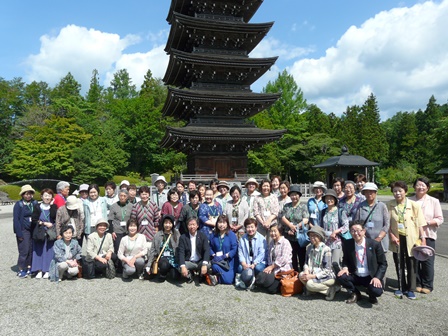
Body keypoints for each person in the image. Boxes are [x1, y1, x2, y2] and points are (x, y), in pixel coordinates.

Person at [387, 181, 426, 300]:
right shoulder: (389, 205)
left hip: (412, 238)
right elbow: (386, 224)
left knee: (412, 264)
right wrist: (391, 236)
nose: (397, 193)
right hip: (397, 239)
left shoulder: (414, 205)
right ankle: (401, 287)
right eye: (395, 191)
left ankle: (411, 289)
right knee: (399, 262)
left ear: (405, 191)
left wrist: (423, 239)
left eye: (400, 191)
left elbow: (420, 224)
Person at [337, 220, 388, 304]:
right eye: (352, 231)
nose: (355, 233)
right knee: (340, 276)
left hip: (370, 276)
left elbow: (383, 263)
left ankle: (371, 294)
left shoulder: (374, 244)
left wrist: (377, 277)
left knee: (377, 291)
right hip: (355, 275)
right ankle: (355, 293)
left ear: (364, 231)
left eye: (358, 230)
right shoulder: (347, 244)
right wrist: (345, 267)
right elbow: (345, 259)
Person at [409, 177, 444, 294]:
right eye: (418, 185)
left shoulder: (434, 201)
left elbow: (440, 219)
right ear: (414, 187)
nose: (421, 187)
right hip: (413, 235)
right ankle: (417, 283)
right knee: (415, 260)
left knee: (428, 260)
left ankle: (428, 284)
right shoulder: (409, 201)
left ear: (427, 188)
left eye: (423, 185)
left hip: (428, 234)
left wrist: (425, 222)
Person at [299, 226, 337, 300]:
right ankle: (314, 290)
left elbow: (327, 270)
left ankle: (329, 290)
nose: (312, 238)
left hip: (326, 276)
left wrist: (312, 276)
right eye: (310, 235)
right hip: (312, 273)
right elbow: (306, 263)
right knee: (301, 275)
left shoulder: (326, 249)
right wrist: (306, 271)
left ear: (320, 237)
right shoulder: (309, 248)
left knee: (309, 284)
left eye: (315, 236)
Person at [255, 223, 292, 294]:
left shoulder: (285, 242)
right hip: (273, 269)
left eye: (275, 231)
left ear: (280, 231)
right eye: (271, 231)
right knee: (261, 280)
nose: (272, 233)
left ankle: (282, 284)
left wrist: (272, 267)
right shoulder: (272, 243)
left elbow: (284, 259)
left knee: (271, 290)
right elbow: (269, 257)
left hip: (282, 270)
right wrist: (270, 267)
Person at [280, 184, 309, 271]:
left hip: (299, 236)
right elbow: (283, 217)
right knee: (291, 256)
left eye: (296, 194)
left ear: (299, 195)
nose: (294, 197)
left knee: (301, 255)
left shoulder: (303, 206)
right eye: (292, 195)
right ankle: (294, 273)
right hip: (288, 235)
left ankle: (303, 273)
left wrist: (296, 227)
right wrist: (290, 226)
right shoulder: (287, 206)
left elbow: (306, 219)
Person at [354, 182, 389, 252]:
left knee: (381, 261)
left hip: (380, 241)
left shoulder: (382, 206)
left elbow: (387, 224)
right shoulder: (360, 206)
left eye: (371, 192)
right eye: (366, 192)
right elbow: (356, 223)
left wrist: (379, 237)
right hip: (365, 240)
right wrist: (363, 236)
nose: (369, 194)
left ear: (376, 192)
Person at [31, 188, 57, 279]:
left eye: (49, 196)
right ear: (41, 196)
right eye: (45, 195)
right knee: (38, 250)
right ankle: (38, 270)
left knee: (49, 251)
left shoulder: (54, 206)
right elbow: (33, 220)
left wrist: (52, 205)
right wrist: (44, 223)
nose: (47, 197)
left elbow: (54, 217)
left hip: (50, 232)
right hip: (40, 231)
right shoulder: (37, 206)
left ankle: (47, 270)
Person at [13, 184, 38, 278]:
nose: (28, 196)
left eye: (30, 194)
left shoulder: (34, 203)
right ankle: (21, 269)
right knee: (24, 250)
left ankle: (29, 267)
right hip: (23, 230)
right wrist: (18, 233)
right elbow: (16, 220)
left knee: (31, 249)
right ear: (22, 195)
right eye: (26, 194)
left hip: (32, 229)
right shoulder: (19, 204)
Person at [319, 189, 349, 266]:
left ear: (335, 199)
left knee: (335, 262)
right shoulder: (323, 212)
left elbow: (346, 225)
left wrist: (335, 232)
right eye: (327, 198)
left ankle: (338, 277)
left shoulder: (340, 211)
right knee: (326, 263)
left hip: (336, 241)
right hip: (326, 241)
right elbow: (320, 226)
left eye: (331, 198)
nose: (329, 200)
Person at [147, 214, 181, 282]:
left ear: (172, 224)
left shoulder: (176, 233)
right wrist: (148, 265)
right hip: (162, 258)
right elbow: (153, 250)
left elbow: (180, 248)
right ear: (163, 223)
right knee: (164, 264)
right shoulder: (158, 235)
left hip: (173, 259)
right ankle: (163, 274)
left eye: (169, 223)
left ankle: (170, 271)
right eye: (166, 223)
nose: (167, 225)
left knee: (175, 277)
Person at [178, 218, 211, 283]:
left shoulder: (203, 236)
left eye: (193, 224)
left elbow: (207, 250)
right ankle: (190, 274)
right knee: (180, 267)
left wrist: (204, 264)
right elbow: (181, 252)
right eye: (190, 225)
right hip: (189, 261)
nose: (192, 227)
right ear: (187, 226)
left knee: (208, 264)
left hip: (199, 261)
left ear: (197, 226)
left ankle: (201, 275)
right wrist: (183, 266)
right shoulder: (183, 237)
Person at [237, 218, 267, 289]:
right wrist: (244, 263)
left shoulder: (262, 239)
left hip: (258, 262)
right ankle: (244, 280)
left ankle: (255, 280)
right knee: (240, 267)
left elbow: (262, 254)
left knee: (258, 268)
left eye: (252, 227)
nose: (250, 229)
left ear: (256, 227)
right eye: (248, 227)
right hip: (247, 262)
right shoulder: (242, 239)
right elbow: (240, 252)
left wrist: (254, 263)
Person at [108, 189, 133, 272]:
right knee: (118, 248)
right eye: (121, 196)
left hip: (127, 231)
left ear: (127, 197)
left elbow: (133, 219)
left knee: (127, 249)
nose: (122, 197)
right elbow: (110, 220)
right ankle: (118, 268)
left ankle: (127, 265)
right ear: (118, 196)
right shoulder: (114, 206)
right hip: (117, 230)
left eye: (124, 196)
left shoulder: (131, 206)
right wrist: (112, 231)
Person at [209, 215, 238, 284]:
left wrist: (225, 256)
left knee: (229, 281)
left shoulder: (232, 235)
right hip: (218, 261)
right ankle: (216, 276)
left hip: (229, 261)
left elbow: (234, 249)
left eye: (224, 223)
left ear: (227, 224)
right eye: (220, 222)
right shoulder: (213, 235)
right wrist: (213, 255)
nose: (222, 225)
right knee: (214, 266)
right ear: (217, 224)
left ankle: (216, 278)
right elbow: (209, 247)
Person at [131, 185, 161, 251]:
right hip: (139, 232)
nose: (144, 196)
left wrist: (156, 229)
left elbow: (157, 219)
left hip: (151, 232)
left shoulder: (153, 205)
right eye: (142, 194)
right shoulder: (135, 206)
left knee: (151, 251)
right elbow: (133, 220)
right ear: (140, 195)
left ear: (149, 194)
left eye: (146, 194)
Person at [254, 179, 280, 243]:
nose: (266, 188)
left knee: (272, 243)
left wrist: (268, 221)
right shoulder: (257, 198)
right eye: (264, 186)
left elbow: (276, 212)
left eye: (267, 186)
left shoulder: (274, 197)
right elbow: (256, 212)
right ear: (261, 187)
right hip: (261, 225)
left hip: (272, 225)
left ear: (270, 187)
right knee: (261, 243)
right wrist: (263, 222)